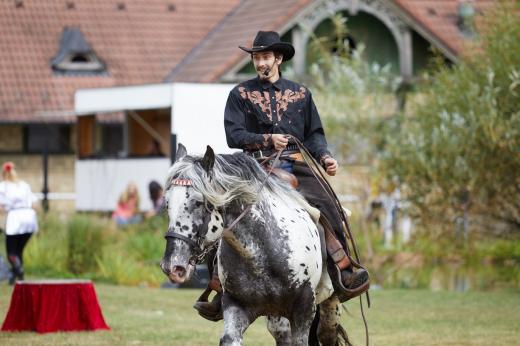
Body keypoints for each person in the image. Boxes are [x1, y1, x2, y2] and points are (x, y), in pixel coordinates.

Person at [194, 31, 369, 321]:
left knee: (329, 206)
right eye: (256, 57)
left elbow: (314, 134)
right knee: (224, 211)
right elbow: (233, 135)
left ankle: (343, 269)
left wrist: (325, 157)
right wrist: (266, 139)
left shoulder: (301, 94)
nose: (260, 62)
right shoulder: (239, 94)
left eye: (265, 57)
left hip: (295, 163)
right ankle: (218, 287)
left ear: (278, 58)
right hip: (254, 165)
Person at [0, 162, 38, 284]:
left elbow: (1, 206)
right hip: (30, 218)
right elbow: (34, 204)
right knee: (18, 250)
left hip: (15, 218)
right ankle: (17, 278)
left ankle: (18, 270)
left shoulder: (3, 186)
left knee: (11, 251)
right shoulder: (24, 185)